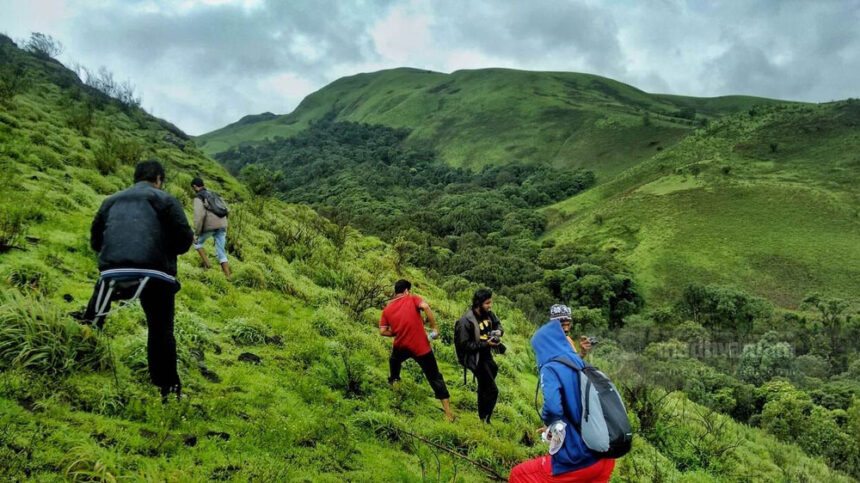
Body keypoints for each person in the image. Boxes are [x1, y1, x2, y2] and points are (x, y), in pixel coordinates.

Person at [84, 160, 193, 401]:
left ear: (135, 178)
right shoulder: (166, 200)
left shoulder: (110, 201)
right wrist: (164, 252)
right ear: (159, 179)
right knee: (160, 330)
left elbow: (95, 241)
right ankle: (168, 390)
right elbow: (185, 239)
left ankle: (81, 354)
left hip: (112, 272)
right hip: (155, 274)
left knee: (95, 313)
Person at [508, 319, 615, 482]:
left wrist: (548, 423)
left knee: (518, 475)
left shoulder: (550, 367)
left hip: (580, 459)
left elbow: (553, 408)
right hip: (605, 455)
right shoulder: (578, 363)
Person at [379, 279, 455, 422]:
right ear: (406, 291)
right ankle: (448, 413)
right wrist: (434, 328)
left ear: (396, 291)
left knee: (394, 362)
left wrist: (398, 331)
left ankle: (395, 389)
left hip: (401, 345)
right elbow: (425, 306)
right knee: (435, 377)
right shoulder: (412, 298)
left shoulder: (387, 309)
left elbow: (382, 331)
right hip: (421, 347)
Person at [455, 288, 505, 423]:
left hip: (486, 355)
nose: (490, 306)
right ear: (478, 304)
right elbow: (464, 345)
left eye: (490, 302)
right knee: (492, 390)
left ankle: (482, 417)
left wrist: (499, 332)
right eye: (487, 303)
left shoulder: (488, 314)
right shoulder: (466, 321)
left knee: (488, 379)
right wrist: (486, 344)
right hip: (474, 358)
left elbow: (498, 324)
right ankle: (485, 419)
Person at [190, 177, 231, 281]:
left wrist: (197, 233)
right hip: (222, 225)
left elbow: (199, 216)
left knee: (197, 243)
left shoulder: (199, 197)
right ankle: (228, 277)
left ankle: (208, 266)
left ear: (195, 186)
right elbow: (227, 209)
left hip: (210, 226)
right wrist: (224, 223)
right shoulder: (214, 194)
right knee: (221, 252)